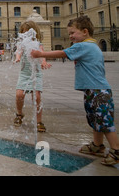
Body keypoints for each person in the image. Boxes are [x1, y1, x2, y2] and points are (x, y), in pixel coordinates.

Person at [31, 15, 119, 166]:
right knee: (96, 120)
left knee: (104, 122)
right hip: (94, 90)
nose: (70, 36)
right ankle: (97, 146)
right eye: (69, 33)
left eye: (73, 33)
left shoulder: (83, 46)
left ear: (85, 32)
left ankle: (116, 150)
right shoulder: (92, 45)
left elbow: (63, 53)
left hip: (98, 91)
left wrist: (41, 54)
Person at [14, 20, 52, 133]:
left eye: (28, 33)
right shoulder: (21, 44)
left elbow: (41, 54)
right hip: (24, 73)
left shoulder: (37, 44)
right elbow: (18, 52)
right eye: (24, 32)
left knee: (37, 97)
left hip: (36, 73)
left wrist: (43, 62)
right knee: (19, 94)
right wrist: (18, 58)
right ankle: (19, 114)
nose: (26, 35)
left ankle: (39, 121)